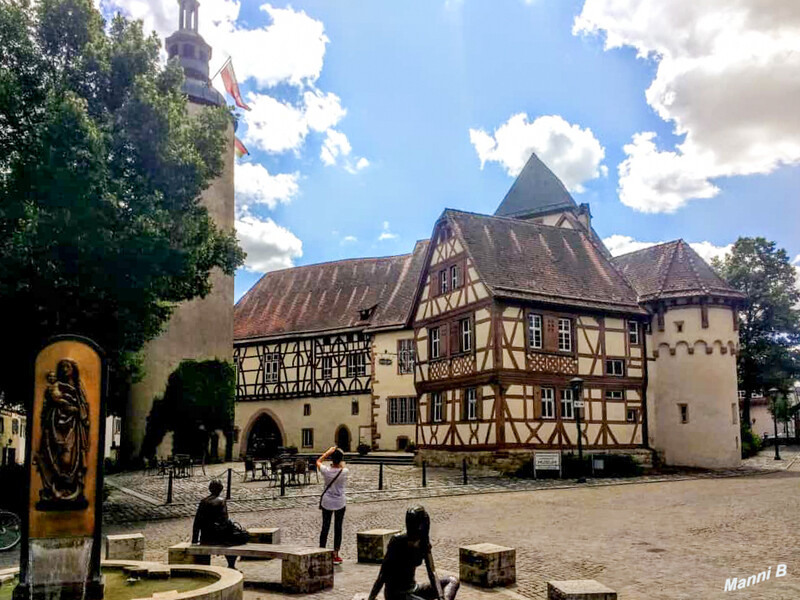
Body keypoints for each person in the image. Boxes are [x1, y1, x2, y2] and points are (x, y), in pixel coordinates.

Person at [367, 506, 459, 600]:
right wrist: (371, 598)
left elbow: (432, 572)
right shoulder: (397, 541)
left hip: (414, 589)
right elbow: (383, 574)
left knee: (452, 581)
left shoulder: (423, 541)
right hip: (397, 594)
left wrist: (441, 596)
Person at [192, 480, 249, 568]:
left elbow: (197, 522)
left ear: (210, 489)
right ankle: (231, 565)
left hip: (205, 538)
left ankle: (204, 566)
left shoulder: (203, 501)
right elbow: (225, 520)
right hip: (218, 538)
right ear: (221, 489)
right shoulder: (221, 501)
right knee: (233, 540)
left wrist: (194, 540)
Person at [317, 446, 348, 564]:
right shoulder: (344, 471)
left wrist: (327, 453)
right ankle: (335, 554)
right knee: (338, 528)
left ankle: (321, 552)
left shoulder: (326, 471)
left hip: (327, 501)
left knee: (325, 527)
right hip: (340, 502)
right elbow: (342, 466)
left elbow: (318, 462)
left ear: (332, 459)